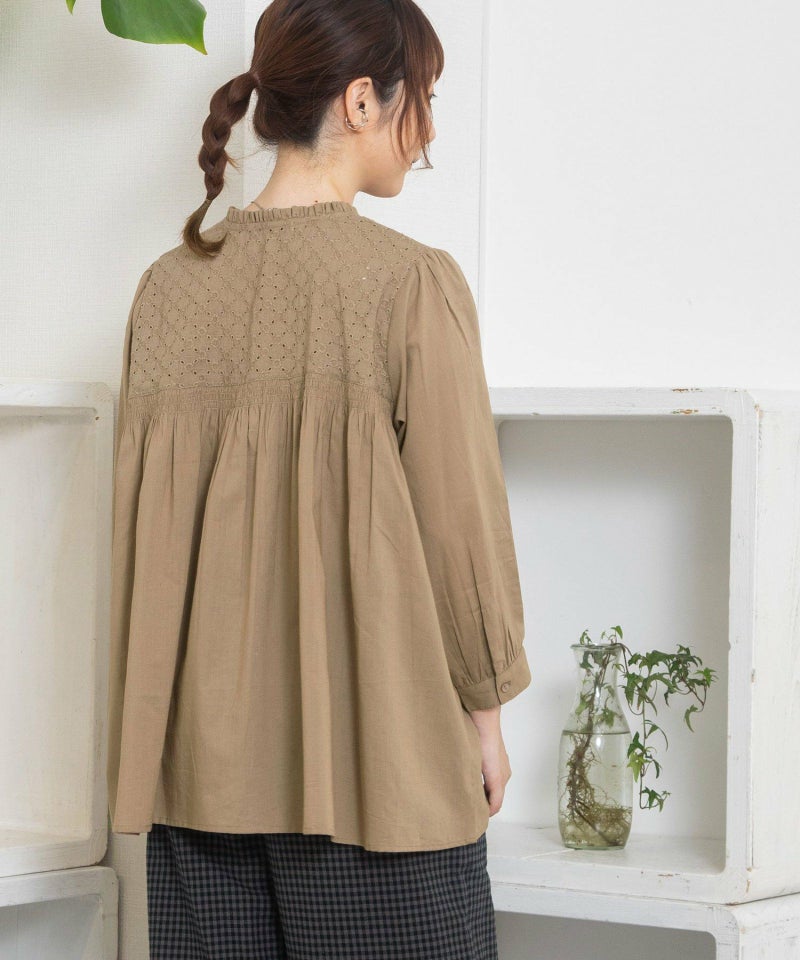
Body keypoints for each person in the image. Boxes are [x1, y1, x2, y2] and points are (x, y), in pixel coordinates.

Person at [107, 0, 532, 956]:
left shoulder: (165, 291)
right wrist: (486, 710)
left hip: (198, 785)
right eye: (423, 99)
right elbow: (459, 524)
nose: (430, 131)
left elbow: (142, 552)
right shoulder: (408, 283)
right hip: (378, 780)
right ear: (361, 100)